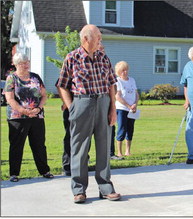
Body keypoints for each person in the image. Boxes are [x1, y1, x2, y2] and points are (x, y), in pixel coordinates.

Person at [56, 24, 120, 203]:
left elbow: (111, 84)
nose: (101, 39)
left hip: (103, 103)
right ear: (86, 38)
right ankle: (79, 190)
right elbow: (62, 85)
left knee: (104, 147)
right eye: (98, 36)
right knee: (79, 149)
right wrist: (71, 108)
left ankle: (106, 187)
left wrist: (113, 108)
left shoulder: (103, 57)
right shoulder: (72, 58)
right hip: (82, 103)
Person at [4, 53, 54, 182]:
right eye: (22, 63)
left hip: (36, 116)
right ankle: (14, 173)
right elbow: (9, 98)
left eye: (27, 62)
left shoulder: (35, 77)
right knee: (17, 145)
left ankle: (45, 170)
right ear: (15, 65)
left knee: (39, 145)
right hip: (17, 117)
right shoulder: (12, 78)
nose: (25, 65)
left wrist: (38, 108)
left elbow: (44, 95)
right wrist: (23, 111)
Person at [115, 61, 139, 158]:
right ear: (119, 72)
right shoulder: (118, 81)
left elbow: (136, 94)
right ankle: (119, 151)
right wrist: (128, 106)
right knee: (122, 129)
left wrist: (135, 105)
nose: (125, 72)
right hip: (122, 109)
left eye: (126, 70)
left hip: (132, 109)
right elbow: (118, 96)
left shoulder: (132, 80)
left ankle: (128, 150)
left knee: (130, 129)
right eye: (122, 70)